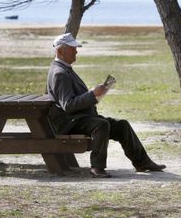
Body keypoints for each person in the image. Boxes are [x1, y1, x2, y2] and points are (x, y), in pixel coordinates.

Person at [46, 33, 166, 178]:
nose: (76, 51)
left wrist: (95, 95)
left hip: (79, 118)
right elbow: (69, 105)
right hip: (70, 123)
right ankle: (97, 167)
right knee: (101, 124)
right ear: (60, 51)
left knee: (122, 125)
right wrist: (92, 94)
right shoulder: (60, 73)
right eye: (72, 49)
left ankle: (142, 162)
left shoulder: (64, 69)